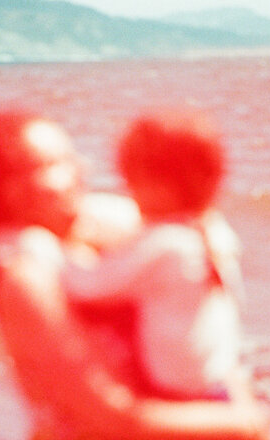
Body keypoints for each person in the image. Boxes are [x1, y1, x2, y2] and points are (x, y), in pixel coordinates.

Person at [0, 110, 270, 440]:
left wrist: (238, 401)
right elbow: (109, 414)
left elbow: (200, 301)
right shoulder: (25, 278)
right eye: (58, 164)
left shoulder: (87, 238)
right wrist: (239, 426)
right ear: (13, 190)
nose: (82, 171)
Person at [61, 111, 245, 402]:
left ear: (159, 186)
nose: (128, 190)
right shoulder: (210, 229)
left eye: (133, 180)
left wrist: (63, 245)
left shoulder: (163, 246)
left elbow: (87, 286)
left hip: (179, 394)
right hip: (215, 384)